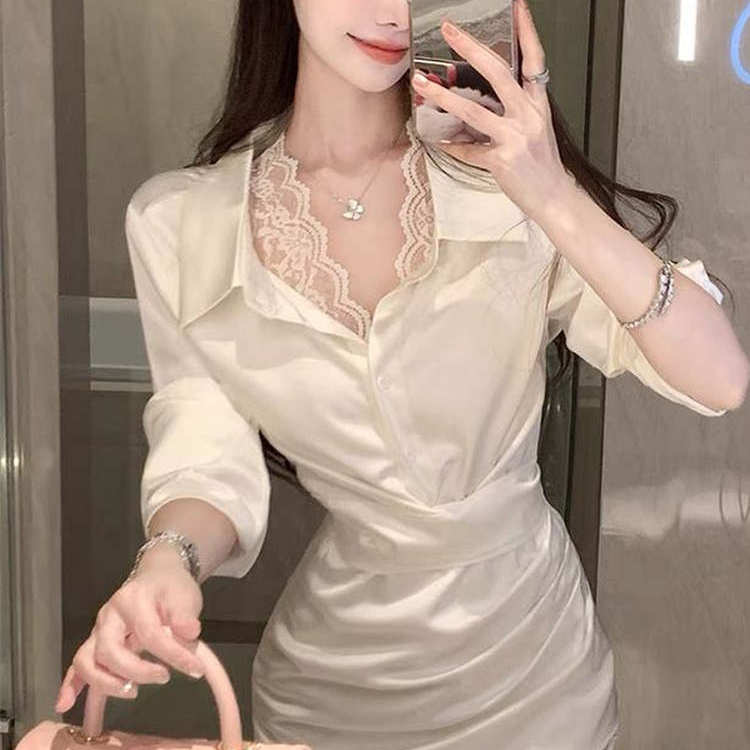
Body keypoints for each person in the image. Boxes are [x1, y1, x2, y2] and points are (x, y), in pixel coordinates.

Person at [55, 1, 748, 748]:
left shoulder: (504, 180)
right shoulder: (181, 222)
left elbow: (719, 378)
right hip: (332, 695)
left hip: (537, 679)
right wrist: (168, 563)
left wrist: (551, 193)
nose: (392, 10)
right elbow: (205, 449)